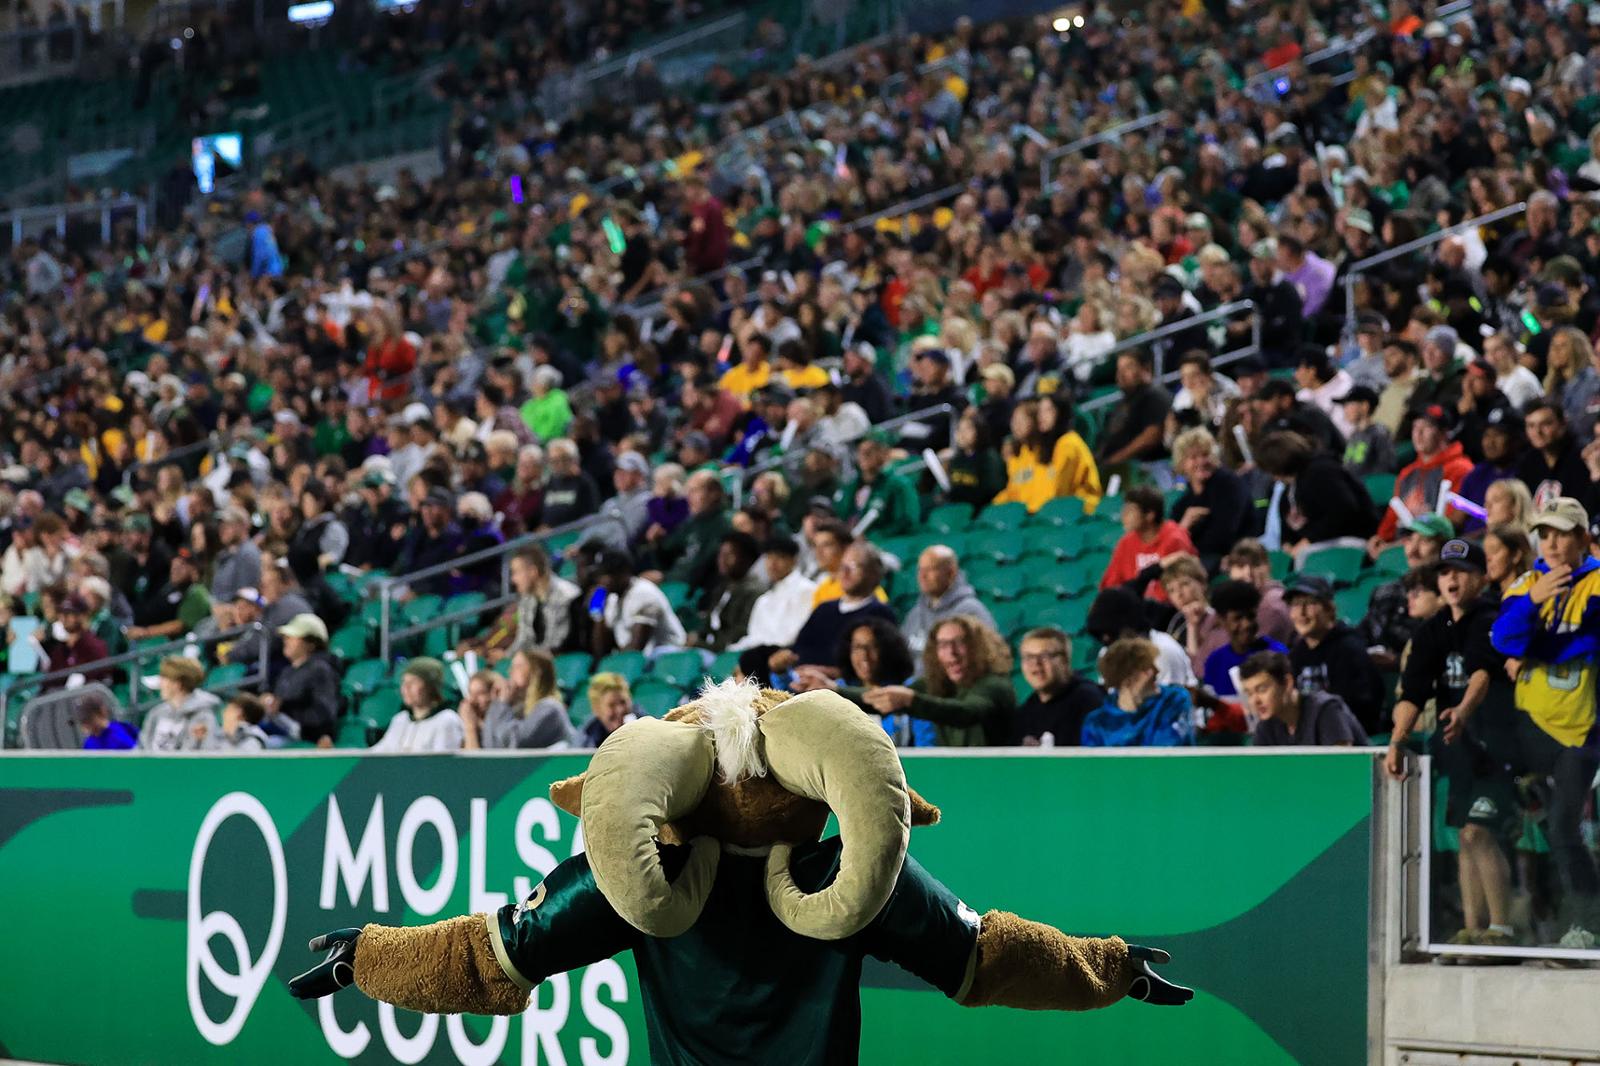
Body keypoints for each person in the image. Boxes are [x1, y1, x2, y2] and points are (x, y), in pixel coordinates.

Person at [1386, 539, 1520, 951]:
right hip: (1457, 750)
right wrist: (1396, 742)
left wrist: (1462, 711)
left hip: (1497, 747)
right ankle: (1473, 930)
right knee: (1465, 834)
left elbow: (1482, 672)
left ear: (1481, 578)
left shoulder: (1492, 618)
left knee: (1478, 833)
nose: (1451, 579)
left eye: (1461, 571)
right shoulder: (1432, 630)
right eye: (1444, 573)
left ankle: (1501, 929)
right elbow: (1412, 692)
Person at [1491, 496, 1600, 940]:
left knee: (1564, 829)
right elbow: (1501, 638)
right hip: (1532, 725)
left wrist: (1531, 651)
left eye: (1562, 534)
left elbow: (1586, 641)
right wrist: (1534, 601)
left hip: (1582, 730)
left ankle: (1588, 926)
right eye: (1545, 534)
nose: (1552, 544)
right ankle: (1531, 795)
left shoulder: (1597, 584)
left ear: (1583, 538)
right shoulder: (1525, 585)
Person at [844, 615, 1015, 747]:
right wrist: (830, 690)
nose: (952, 653)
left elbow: (965, 712)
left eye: (960, 643)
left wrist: (910, 700)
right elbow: (883, 698)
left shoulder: (994, 685)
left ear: (979, 648)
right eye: (943, 645)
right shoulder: (935, 683)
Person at [1283, 574, 1385, 735]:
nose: (1301, 612)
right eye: (1295, 604)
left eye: (1309, 603)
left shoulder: (1349, 649)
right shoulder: (1297, 653)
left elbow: (1361, 708)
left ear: (1330, 609)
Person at [1369, 403, 1473, 550]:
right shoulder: (1407, 473)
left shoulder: (1460, 469)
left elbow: (1448, 528)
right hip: (1401, 547)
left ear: (1444, 433)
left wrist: (1394, 546)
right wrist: (1379, 539)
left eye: (1426, 427)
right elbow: (1391, 520)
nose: (1418, 433)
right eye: (1415, 427)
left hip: (1433, 549)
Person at [1360, 512, 1451, 664]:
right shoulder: (1384, 591)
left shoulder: (1451, 594)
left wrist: (1396, 661)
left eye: (1425, 541)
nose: (1413, 550)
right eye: (1410, 540)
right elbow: (1362, 633)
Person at [789, 542, 897, 670]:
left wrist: (832, 674)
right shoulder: (824, 609)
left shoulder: (880, 614)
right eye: (843, 566)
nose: (845, 572)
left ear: (874, 573)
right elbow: (798, 650)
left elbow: (878, 667)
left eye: (855, 566)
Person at [829, 617, 931, 747]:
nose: (864, 655)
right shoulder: (837, 691)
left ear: (889, 651)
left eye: (872, 647)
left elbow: (926, 746)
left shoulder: (909, 689)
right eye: (858, 647)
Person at [1081, 637, 1195, 747]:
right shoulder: (1097, 724)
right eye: (1147, 668)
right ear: (1126, 680)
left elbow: (1167, 754)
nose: (1157, 671)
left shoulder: (1174, 700)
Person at [1237, 652, 1366, 746]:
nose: (1255, 701)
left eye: (1262, 689)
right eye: (1249, 693)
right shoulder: (1266, 726)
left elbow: (1343, 768)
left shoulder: (1326, 710)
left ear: (1287, 683)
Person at [1169, 428, 1252, 569]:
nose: (1201, 461)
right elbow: (1170, 544)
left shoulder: (1230, 485)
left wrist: (1189, 544)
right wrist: (1184, 527)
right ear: (1182, 463)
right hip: (1200, 561)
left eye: (1205, 455)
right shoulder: (1182, 504)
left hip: (1237, 557)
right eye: (1193, 457)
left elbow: (1225, 535)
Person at [1084, 586, 1198, 688]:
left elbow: (1175, 704)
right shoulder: (1107, 654)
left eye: (1110, 632)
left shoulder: (1164, 650)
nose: (1106, 639)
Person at [1100, 486, 1197, 603]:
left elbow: (1180, 590)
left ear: (1149, 515)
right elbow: (1110, 585)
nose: (1123, 515)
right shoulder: (1126, 542)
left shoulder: (1175, 539)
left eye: (1130, 511)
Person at [1012, 626, 1105, 746]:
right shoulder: (1028, 708)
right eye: (1028, 657)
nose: (1036, 663)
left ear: (1065, 660)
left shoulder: (1088, 700)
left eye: (1045, 656)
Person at [467, 650, 576, 749]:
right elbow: (491, 747)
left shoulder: (550, 709)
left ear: (536, 671)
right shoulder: (519, 710)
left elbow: (514, 743)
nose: (510, 671)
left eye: (518, 666)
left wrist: (501, 703)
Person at [901, 545, 996, 657]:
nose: (922, 576)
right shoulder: (914, 614)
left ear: (951, 573)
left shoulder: (971, 612)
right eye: (920, 570)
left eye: (930, 569)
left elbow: (986, 657)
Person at [591, 550, 688, 657]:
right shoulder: (612, 599)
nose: (603, 580)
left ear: (624, 572)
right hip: (643, 661)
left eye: (608, 574)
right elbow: (601, 651)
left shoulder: (643, 592)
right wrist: (598, 613)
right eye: (600, 575)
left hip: (669, 655)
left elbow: (636, 648)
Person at [1200, 580, 1286, 697]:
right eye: (1237, 618)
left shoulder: (1275, 653)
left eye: (1251, 616)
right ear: (1221, 620)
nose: (1246, 624)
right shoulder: (1215, 662)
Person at [266, 613, 340, 746]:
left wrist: (284, 707)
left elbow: (324, 715)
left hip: (305, 739)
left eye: (292, 637)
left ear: (311, 643)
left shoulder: (320, 670)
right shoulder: (287, 672)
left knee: (265, 744)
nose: (286, 640)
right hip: (278, 730)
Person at [732, 536, 818, 651]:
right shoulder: (764, 600)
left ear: (793, 560)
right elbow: (753, 637)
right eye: (769, 558)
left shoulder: (807, 590)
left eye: (779, 558)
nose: (772, 564)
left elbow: (792, 637)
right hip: (758, 655)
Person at [1096, 349, 1172, 475]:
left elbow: (1151, 436)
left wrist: (1115, 460)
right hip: (1117, 468)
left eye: (1128, 367)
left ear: (1145, 369)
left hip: (1143, 468)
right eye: (1119, 368)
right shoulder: (1126, 399)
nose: (1121, 374)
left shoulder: (1154, 395)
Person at [834, 432, 919, 538]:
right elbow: (841, 515)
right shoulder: (851, 485)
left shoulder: (899, 484)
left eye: (871, 450)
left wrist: (873, 536)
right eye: (861, 450)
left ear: (885, 453)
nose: (864, 454)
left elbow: (907, 521)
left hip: (882, 543)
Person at [372, 657, 465, 752]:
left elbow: (443, 763)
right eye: (404, 681)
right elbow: (377, 754)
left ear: (431, 687)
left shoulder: (446, 720)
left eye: (414, 682)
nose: (406, 687)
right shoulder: (400, 720)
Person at [697, 531, 767, 652]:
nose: (722, 560)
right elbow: (709, 625)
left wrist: (703, 645)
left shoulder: (754, 592)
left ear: (746, 559)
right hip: (707, 649)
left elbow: (740, 633)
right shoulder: (721, 588)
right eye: (721, 554)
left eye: (729, 555)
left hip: (726, 654)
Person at [137, 656, 221, 752]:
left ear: (177, 684)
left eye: (164, 678)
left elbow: (206, 754)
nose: (160, 684)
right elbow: (142, 748)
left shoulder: (203, 716)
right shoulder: (156, 713)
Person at [1161, 555, 1226, 678]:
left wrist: (1192, 626)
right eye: (1171, 590)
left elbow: (1196, 671)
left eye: (1184, 584)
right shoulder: (1178, 619)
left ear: (1202, 583)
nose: (1179, 594)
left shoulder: (1217, 619)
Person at [1337, 385, 1396, 477]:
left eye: (1348, 404)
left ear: (1365, 406)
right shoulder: (1354, 434)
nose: (1345, 410)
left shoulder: (1380, 434)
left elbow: (1386, 468)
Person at [578, 671, 636, 747]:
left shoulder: (645, 726)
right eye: (612, 705)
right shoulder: (587, 736)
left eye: (623, 702)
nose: (620, 710)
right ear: (596, 709)